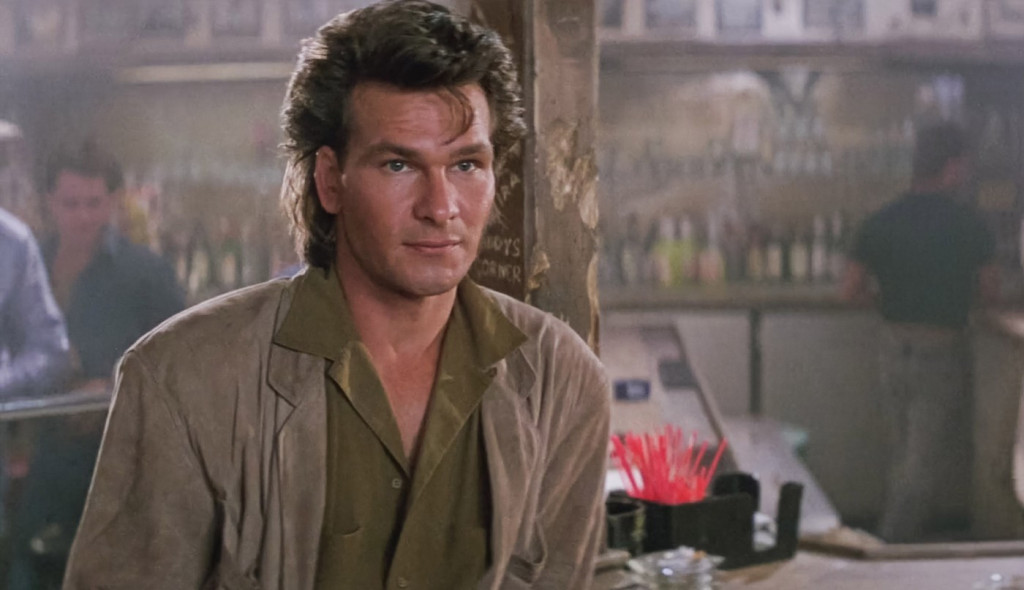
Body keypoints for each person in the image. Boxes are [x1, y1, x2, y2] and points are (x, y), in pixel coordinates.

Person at [64, 2, 611, 589]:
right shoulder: (185, 378)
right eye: (399, 165)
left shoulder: (560, 379)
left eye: (466, 165)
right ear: (330, 181)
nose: (441, 207)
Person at [8, 143, 185, 589]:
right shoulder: (24, 262)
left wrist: (111, 387)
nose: (84, 216)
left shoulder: (146, 273)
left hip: (112, 467)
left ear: (114, 201)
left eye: (94, 203)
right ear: (48, 202)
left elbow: (182, 368)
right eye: (70, 204)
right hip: (34, 463)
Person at [842, 121, 999, 543]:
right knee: (921, 466)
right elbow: (991, 291)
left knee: (902, 456)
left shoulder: (882, 220)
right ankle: (888, 551)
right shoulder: (969, 223)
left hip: (892, 345)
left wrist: (887, 301)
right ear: (951, 167)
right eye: (963, 165)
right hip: (941, 349)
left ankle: (894, 545)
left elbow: (851, 289)